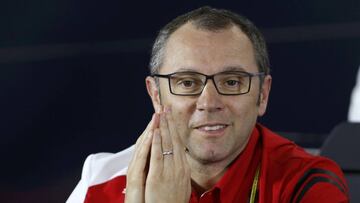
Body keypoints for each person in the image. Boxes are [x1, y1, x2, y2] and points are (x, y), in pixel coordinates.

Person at [67, 6, 349, 203]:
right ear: (156, 95)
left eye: (232, 82)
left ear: (262, 95)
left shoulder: (306, 183)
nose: (209, 102)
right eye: (187, 83)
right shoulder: (101, 181)